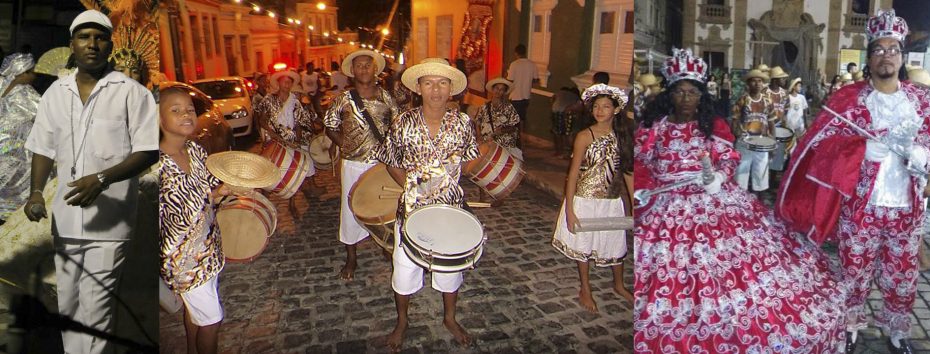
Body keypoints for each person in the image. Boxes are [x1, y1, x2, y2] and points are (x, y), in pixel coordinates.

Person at [634, 47, 846, 353]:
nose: (685, 99)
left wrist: (717, 177)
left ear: (700, 96)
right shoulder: (654, 128)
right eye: (679, 92)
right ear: (669, 95)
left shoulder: (713, 127)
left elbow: (728, 159)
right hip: (664, 204)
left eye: (692, 92)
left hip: (714, 201)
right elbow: (642, 164)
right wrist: (643, 187)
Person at [776, 9, 930, 353]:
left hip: (908, 206)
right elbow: (819, 148)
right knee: (853, 270)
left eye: (893, 49)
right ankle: (849, 327)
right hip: (861, 205)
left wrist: (923, 156)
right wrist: (859, 149)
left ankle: (896, 330)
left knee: (902, 274)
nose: (886, 56)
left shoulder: (921, 101)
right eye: (879, 49)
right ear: (869, 57)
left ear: (902, 56)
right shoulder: (849, 100)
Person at [23, 10, 159, 353]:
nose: (92, 44)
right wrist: (36, 193)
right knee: (69, 307)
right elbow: (42, 146)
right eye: (84, 37)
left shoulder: (132, 93)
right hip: (65, 220)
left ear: (110, 45)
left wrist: (103, 178)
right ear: (73, 44)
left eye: (99, 38)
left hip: (110, 224)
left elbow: (148, 151)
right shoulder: (56, 93)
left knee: (96, 311)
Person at [378, 58, 478, 352]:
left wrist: (450, 181)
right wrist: (414, 186)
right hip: (411, 209)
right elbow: (392, 163)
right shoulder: (403, 122)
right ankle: (402, 321)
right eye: (429, 83)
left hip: (450, 209)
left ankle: (450, 317)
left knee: (450, 268)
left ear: (451, 90)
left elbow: (471, 160)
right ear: (419, 88)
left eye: (442, 83)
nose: (436, 90)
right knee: (404, 268)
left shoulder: (462, 123)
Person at [158, 86, 230, 354]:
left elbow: (209, 194)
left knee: (196, 312)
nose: (186, 114)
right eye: (175, 110)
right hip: (183, 261)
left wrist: (225, 190)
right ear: (158, 118)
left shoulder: (195, 151)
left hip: (209, 249)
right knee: (212, 320)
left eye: (189, 109)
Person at [552, 83, 631, 313]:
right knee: (584, 245)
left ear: (616, 109)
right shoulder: (585, 136)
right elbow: (573, 173)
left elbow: (628, 171)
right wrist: (569, 209)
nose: (600, 110)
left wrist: (635, 205)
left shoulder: (622, 137)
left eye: (606, 106)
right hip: (584, 200)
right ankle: (585, 288)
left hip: (611, 201)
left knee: (615, 241)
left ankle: (619, 284)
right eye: (596, 106)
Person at [323, 49, 398, 281]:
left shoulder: (387, 98)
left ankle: (386, 245)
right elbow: (330, 126)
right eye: (359, 65)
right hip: (353, 164)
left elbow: (397, 129)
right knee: (350, 209)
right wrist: (343, 144)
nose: (364, 68)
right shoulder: (343, 99)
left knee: (385, 208)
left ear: (376, 69)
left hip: (382, 165)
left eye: (368, 65)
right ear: (352, 71)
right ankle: (351, 257)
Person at [253, 69, 318, 214]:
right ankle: (263, 205)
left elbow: (299, 123)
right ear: (279, 83)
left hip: (291, 139)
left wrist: (298, 140)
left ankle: (292, 203)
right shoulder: (269, 100)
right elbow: (262, 120)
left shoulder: (295, 101)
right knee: (268, 172)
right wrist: (271, 134)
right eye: (284, 82)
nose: (287, 84)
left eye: (290, 82)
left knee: (292, 172)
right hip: (273, 139)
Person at [0, 53, 40, 225]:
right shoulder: (25, 92)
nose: (35, 75)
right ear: (22, 73)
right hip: (19, 153)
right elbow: (44, 113)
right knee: (17, 187)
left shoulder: (2, 87)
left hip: (5, 150)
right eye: (32, 71)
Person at [474, 77, 522, 206]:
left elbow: (515, 124)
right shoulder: (485, 107)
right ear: (493, 90)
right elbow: (477, 122)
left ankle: (499, 197)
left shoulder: (509, 107)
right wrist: (478, 136)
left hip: (503, 142)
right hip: (486, 140)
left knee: (500, 170)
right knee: (482, 167)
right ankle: (482, 196)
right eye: (497, 89)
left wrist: (503, 130)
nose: (498, 92)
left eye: (502, 90)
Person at [731, 69, 775, 194]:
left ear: (763, 84)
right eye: (754, 81)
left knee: (761, 175)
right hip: (744, 142)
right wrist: (736, 136)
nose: (757, 84)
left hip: (762, 142)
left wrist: (773, 143)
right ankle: (740, 201)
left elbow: (771, 122)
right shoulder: (742, 100)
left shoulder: (768, 101)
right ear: (748, 84)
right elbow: (734, 120)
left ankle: (759, 203)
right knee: (741, 175)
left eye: (760, 81)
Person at [507, 44, 538, 132]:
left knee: (513, 119)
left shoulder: (514, 64)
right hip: (526, 96)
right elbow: (536, 80)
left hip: (515, 96)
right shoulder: (532, 64)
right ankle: (522, 137)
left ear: (516, 53)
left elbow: (510, 80)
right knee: (522, 118)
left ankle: (514, 138)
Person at [551, 86, 582, 158]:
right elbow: (578, 109)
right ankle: (566, 152)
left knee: (557, 133)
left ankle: (559, 152)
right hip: (565, 113)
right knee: (566, 133)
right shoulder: (576, 97)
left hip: (555, 112)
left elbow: (552, 99)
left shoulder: (560, 93)